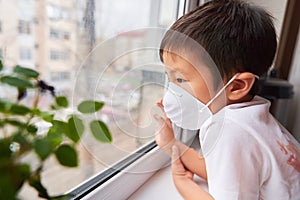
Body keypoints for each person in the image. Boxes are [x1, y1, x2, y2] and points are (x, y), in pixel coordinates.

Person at [154, 0, 300, 199]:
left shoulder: (228, 130)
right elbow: (225, 170)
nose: (171, 92)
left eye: (180, 79)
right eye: (169, 78)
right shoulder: (252, 115)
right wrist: (172, 144)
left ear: (237, 86)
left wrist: (183, 184)